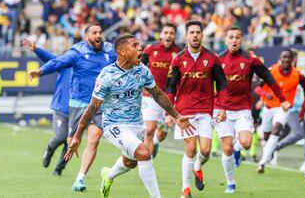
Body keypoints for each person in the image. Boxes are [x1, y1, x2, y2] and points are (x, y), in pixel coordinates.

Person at [64, 34, 195, 198]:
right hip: (114, 125)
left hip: (136, 124)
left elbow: (158, 94)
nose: (140, 48)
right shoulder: (107, 76)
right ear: (123, 52)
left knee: (130, 163)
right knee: (144, 153)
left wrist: (176, 115)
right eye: (135, 46)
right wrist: (77, 137)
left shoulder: (142, 70)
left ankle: (108, 175)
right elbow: (91, 108)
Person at [28, 23, 117, 192]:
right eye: (94, 32)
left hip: (99, 103)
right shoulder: (76, 53)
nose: (98, 35)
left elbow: (125, 61)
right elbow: (55, 61)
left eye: (100, 32)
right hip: (77, 104)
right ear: (86, 37)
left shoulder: (110, 51)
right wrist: (40, 71)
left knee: (94, 139)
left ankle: (77, 177)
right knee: (69, 141)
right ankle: (51, 152)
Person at [214, 27, 289, 193]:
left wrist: (282, 99)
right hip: (222, 109)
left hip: (242, 109)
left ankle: (237, 149)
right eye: (231, 37)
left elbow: (268, 77)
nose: (234, 40)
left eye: (237, 37)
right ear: (225, 40)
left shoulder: (250, 59)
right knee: (225, 148)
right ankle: (230, 182)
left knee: (246, 144)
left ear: (242, 40)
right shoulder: (218, 60)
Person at [166, 20, 228, 198]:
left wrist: (222, 107)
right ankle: (185, 189)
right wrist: (169, 112)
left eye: (197, 32)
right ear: (186, 36)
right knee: (191, 148)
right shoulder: (177, 59)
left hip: (205, 110)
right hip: (184, 110)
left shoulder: (213, 58)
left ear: (202, 35)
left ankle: (198, 167)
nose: (194, 35)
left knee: (206, 150)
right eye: (191, 32)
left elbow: (222, 84)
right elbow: (170, 87)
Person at [23, 39, 70, 176]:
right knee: (61, 136)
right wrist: (36, 49)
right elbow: (50, 59)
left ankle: (59, 169)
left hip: (78, 110)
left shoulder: (87, 69)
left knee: (71, 142)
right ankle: (50, 149)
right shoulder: (65, 64)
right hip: (61, 108)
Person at [256, 49, 305, 173]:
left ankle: (262, 162)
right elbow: (258, 87)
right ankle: (270, 151)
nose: (286, 59)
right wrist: (265, 94)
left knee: (277, 128)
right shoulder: (272, 70)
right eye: (283, 57)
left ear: (292, 60)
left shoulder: (298, 75)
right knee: (266, 135)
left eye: (288, 57)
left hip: (283, 107)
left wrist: (303, 111)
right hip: (268, 108)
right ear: (280, 58)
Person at [140, 23, 181, 158]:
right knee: (149, 130)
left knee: (162, 133)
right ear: (161, 34)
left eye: (171, 33)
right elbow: (138, 67)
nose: (168, 35)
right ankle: (147, 164)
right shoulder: (150, 49)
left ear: (175, 36)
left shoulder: (179, 53)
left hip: (168, 98)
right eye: (166, 32)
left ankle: (156, 142)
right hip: (149, 96)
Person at [270, 48, 305, 168]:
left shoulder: (298, 73)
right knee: (299, 133)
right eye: (293, 57)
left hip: (299, 109)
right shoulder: (282, 72)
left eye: (294, 57)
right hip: (290, 109)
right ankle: (276, 147)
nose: (293, 60)